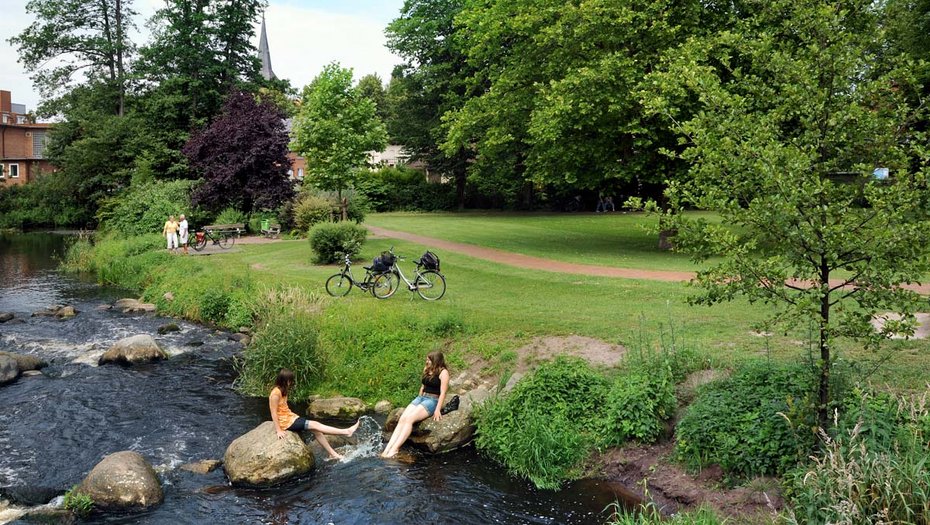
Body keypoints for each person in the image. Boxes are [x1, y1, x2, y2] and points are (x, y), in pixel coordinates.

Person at [269, 368, 359, 460]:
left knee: (317, 430)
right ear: (285, 380)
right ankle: (346, 432)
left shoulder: (282, 390)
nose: (291, 383)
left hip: (290, 418)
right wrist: (278, 430)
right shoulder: (275, 394)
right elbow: (273, 413)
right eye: (290, 380)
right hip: (285, 423)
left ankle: (333, 454)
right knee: (316, 425)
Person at [381, 351, 450, 458]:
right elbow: (422, 387)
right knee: (403, 418)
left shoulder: (443, 372)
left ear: (436, 360)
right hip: (421, 398)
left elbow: (443, 393)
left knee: (410, 419)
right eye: (427, 359)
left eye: (429, 360)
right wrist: (418, 400)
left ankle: (395, 449)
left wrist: (437, 409)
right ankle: (387, 449)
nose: (427, 361)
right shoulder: (427, 369)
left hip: (432, 400)